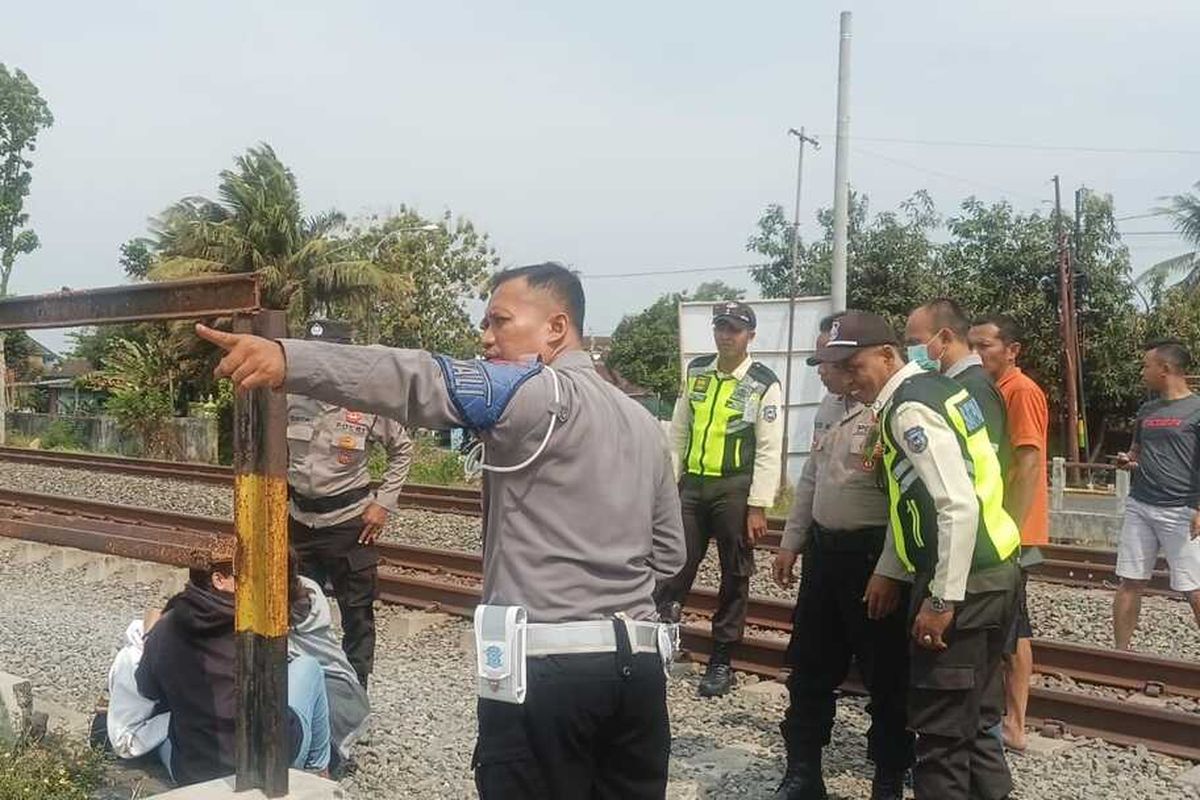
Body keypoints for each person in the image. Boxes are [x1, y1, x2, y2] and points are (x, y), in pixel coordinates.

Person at [196, 262, 687, 800]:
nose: (487, 337)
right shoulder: (644, 424)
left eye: (500, 320)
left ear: (556, 328)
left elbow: (419, 378)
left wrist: (289, 358)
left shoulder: (532, 392)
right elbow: (669, 553)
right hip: (640, 673)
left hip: (547, 675)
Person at [811, 311, 1021, 800]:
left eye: (854, 366)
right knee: (976, 725)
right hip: (994, 571)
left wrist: (942, 599)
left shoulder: (909, 409)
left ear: (888, 355)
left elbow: (957, 504)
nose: (847, 380)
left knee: (941, 737)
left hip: (963, 580)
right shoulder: (939, 388)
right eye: (840, 369)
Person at [771, 313, 912, 800]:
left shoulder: (890, 407)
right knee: (809, 668)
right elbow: (811, 477)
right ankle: (803, 772)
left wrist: (890, 569)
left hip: (872, 558)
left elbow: (905, 504)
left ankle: (888, 776)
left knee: (886, 675)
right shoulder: (829, 407)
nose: (826, 372)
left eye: (834, 363)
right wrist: (791, 541)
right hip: (824, 554)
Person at [657, 300, 783, 697]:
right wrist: (669, 484)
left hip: (735, 488)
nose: (726, 336)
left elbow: (769, 447)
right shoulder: (697, 371)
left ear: (750, 336)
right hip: (693, 485)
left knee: (734, 574)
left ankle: (722, 661)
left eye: (734, 329)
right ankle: (660, 645)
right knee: (673, 564)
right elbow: (679, 431)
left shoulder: (763, 382)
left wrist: (758, 504)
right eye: (720, 327)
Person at [287, 318, 413, 690]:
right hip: (300, 521)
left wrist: (384, 503)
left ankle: (355, 694)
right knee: (297, 610)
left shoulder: (368, 400)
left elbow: (402, 449)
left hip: (349, 525)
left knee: (356, 615)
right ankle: (304, 688)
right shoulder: (290, 397)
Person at [135, 558, 332, 785]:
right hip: (271, 766)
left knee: (162, 735)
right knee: (308, 667)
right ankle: (318, 773)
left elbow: (147, 690)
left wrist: (150, 638)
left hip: (196, 775)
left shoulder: (167, 626)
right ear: (219, 579)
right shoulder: (259, 625)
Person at [970, 314, 1050, 751]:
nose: (977, 353)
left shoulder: (1021, 391)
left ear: (1012, 350)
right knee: (1005, 625)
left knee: (1014, 628)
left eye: (985, 346)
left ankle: (1015, 724)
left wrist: (1012, 532)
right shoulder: (990, 390)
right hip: (998, 527)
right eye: (973, 345)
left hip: (1010, 531)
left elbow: (1028, 461)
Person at [1112, 341, 1200, 648]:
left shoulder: (1196, 409)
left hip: (1182, 509)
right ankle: (1120, 656)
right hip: (1141, 504)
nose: (1142, 371)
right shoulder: (1146, 410)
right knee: (1129, 582)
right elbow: (1137, 451)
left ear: (1166, 369)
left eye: (1146, 366)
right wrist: (1128, 460)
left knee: (1194, 589)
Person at [905, 299, 1010, 477]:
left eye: (915, 342)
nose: (910, 351)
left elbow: (978, 466)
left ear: (945, 338)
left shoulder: (974, 388)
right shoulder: (954, 385)